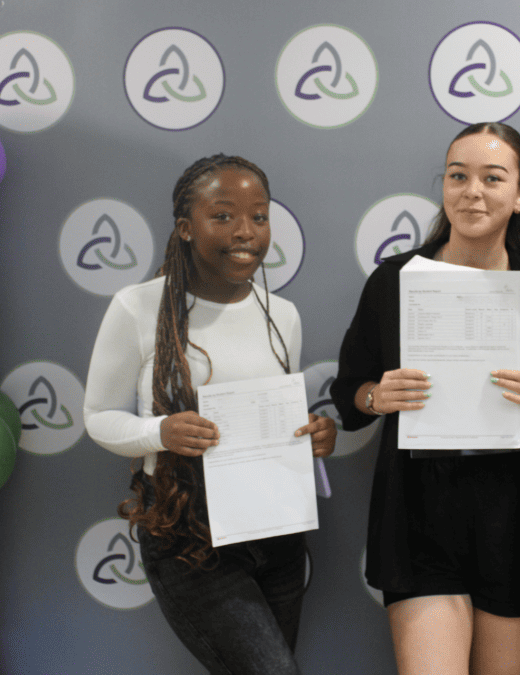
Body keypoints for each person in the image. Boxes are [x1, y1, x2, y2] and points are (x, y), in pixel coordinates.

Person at [331, 122, 520, 675]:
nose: (473, 191)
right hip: (418, 507)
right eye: (458, 176)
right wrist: (377, 395)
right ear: (443, 187)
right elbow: (348, 393)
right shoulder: (394, 281)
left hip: (514, 513)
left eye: (493, 178)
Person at [84, 154, 335, 675]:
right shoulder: (138, 308)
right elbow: (99, 415)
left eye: (259, 217)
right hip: (187, 530)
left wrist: (313, 433)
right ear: (185, 228)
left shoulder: (282, 315)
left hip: (277, 526)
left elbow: (277, 417)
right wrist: (161, 431)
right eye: (222, 216)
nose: (245, 232)